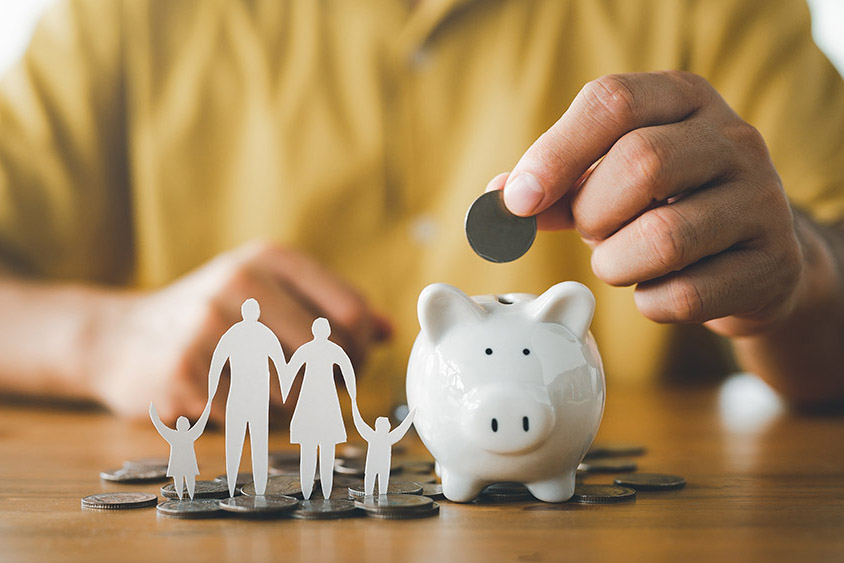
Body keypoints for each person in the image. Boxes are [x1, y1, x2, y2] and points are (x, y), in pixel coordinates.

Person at [0, 0, 843, 422]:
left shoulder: (719, 11)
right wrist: (104, 337)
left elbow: (823, 278)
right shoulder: (121, 17)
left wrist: (799, 279)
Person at [207, 298, 287, 497]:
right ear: (257, 313)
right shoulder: (264, 333)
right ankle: (256, 487)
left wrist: (211, 394)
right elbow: (281, 365)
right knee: (257, 442)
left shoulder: (234, 333)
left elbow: (216, 364)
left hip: (240, 395)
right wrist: (285, 390)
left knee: (236, 441)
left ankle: (237, 486)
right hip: (255, 396)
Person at [285, 318, 356, 500]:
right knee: (324, 445)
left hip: (317, 400)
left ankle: (316, 489)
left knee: (313, 445)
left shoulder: (308, 349)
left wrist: (285, 391)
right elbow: (348, 371)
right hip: (321, 400)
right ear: (328, 331)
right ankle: (320, 488)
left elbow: (290, 371)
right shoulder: (332, 349)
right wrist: (352, 397)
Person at [149, 401, 211, 500]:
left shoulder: (182, 435)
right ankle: (183, 498)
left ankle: (188, 497)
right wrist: (153, 415)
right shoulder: (185, 435)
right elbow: (202, 422)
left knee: (186, 479)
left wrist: (208, 405)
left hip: (185, 464)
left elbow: (202, 422)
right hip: (181, 464)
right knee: (183, 479)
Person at [351, 406, 416, 497]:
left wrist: (413, 412)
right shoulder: (384, 437)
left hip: (379, 468)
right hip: (377, 467)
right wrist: (353, 404)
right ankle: (371, 499)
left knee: (380, 492)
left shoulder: (375, 436)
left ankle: (374, 499)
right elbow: (359, 422)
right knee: (373, 491)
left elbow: (359, 423)